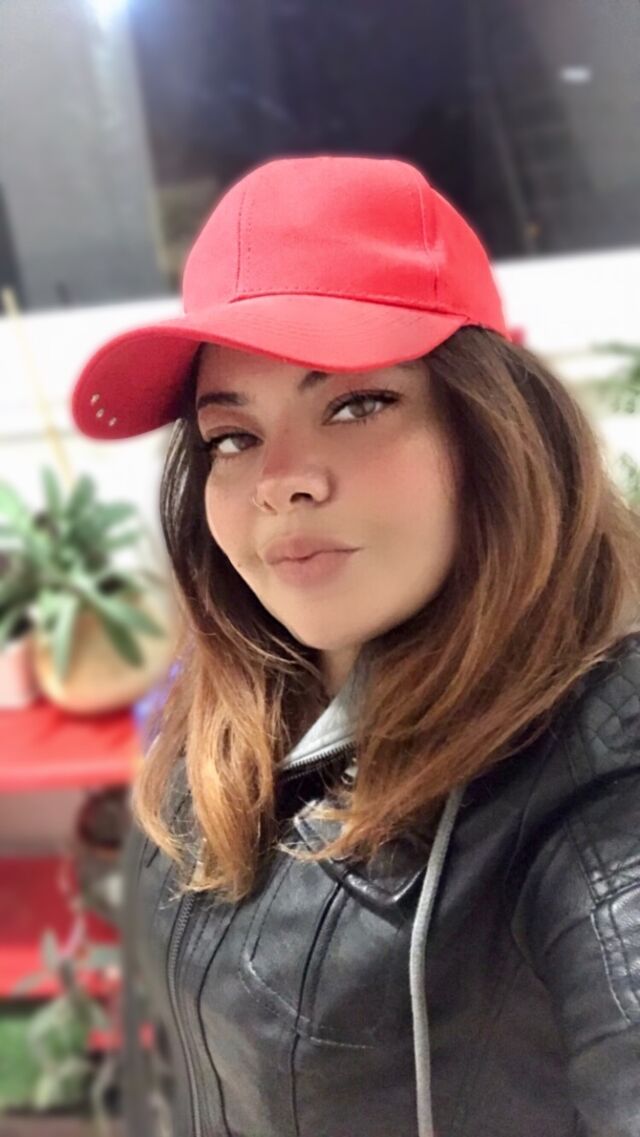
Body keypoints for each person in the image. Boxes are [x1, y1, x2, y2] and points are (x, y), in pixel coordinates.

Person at [71, 155, 640, 1137]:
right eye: (233, 436)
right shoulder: (242, 696)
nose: (279, 480)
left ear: (493, 427)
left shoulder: (597, 788)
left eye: (355, 404)